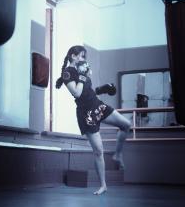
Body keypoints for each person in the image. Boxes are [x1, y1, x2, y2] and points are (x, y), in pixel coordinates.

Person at [56, 45, 131, 195]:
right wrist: (83, 76)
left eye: (84, 56)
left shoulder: (79, 70)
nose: (84, 59)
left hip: (97, 105)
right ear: (73, 56)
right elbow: (77, 93)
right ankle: (103, 185)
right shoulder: (67, 73)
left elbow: (87, 91)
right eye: (81, 56)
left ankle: (118, 154)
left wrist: (103, 89)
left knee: (126, 124)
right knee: (98, 151)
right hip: (86, 114)